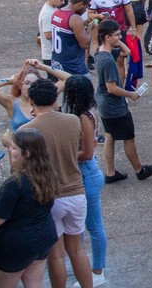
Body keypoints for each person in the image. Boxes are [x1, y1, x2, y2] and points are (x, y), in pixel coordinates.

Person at [19, 79, 93, 288]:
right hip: (76, 192)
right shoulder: (73, 120)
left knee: (56, 256)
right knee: (77, 250)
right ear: (56, 98)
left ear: (31, 100)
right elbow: (84, 152)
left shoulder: (26, 130)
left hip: (50, 197)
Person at [0, 128, 59, 288]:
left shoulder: (15, 184)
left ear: (26, 154)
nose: (9, 150)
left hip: (17, 245)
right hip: (43, 237)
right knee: (34, 283)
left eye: (13, 148)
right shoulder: (47, 173)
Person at [94, 20, 152, 183]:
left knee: (110, 135)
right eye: (116, 35)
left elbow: (127, 52)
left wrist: (117, 41)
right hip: (114, 106)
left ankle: (110, 172)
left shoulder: (100, 52)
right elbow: (112, 88)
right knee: (128, 137)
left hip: (103, 104)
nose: (120, 37)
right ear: (107, 37)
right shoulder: (108, 60)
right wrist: (130, 94)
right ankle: (140, 170)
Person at [61, 76, 108, 288]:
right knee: (86, 225)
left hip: (86, 173)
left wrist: (63, 153)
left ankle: (97, 271)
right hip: (86, 173)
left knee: (93, 226)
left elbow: (87, 153)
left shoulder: (83, 116)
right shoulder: (87, 111)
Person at [51, 0, 92, 76]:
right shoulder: (74, 18)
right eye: (85, 7)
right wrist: (90, 28)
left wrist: (82, 24)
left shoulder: (56, 13)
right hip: (73, 67)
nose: (84, 11)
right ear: (80, 4)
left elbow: (69, 31)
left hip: (57, 64)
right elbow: (85, 44)